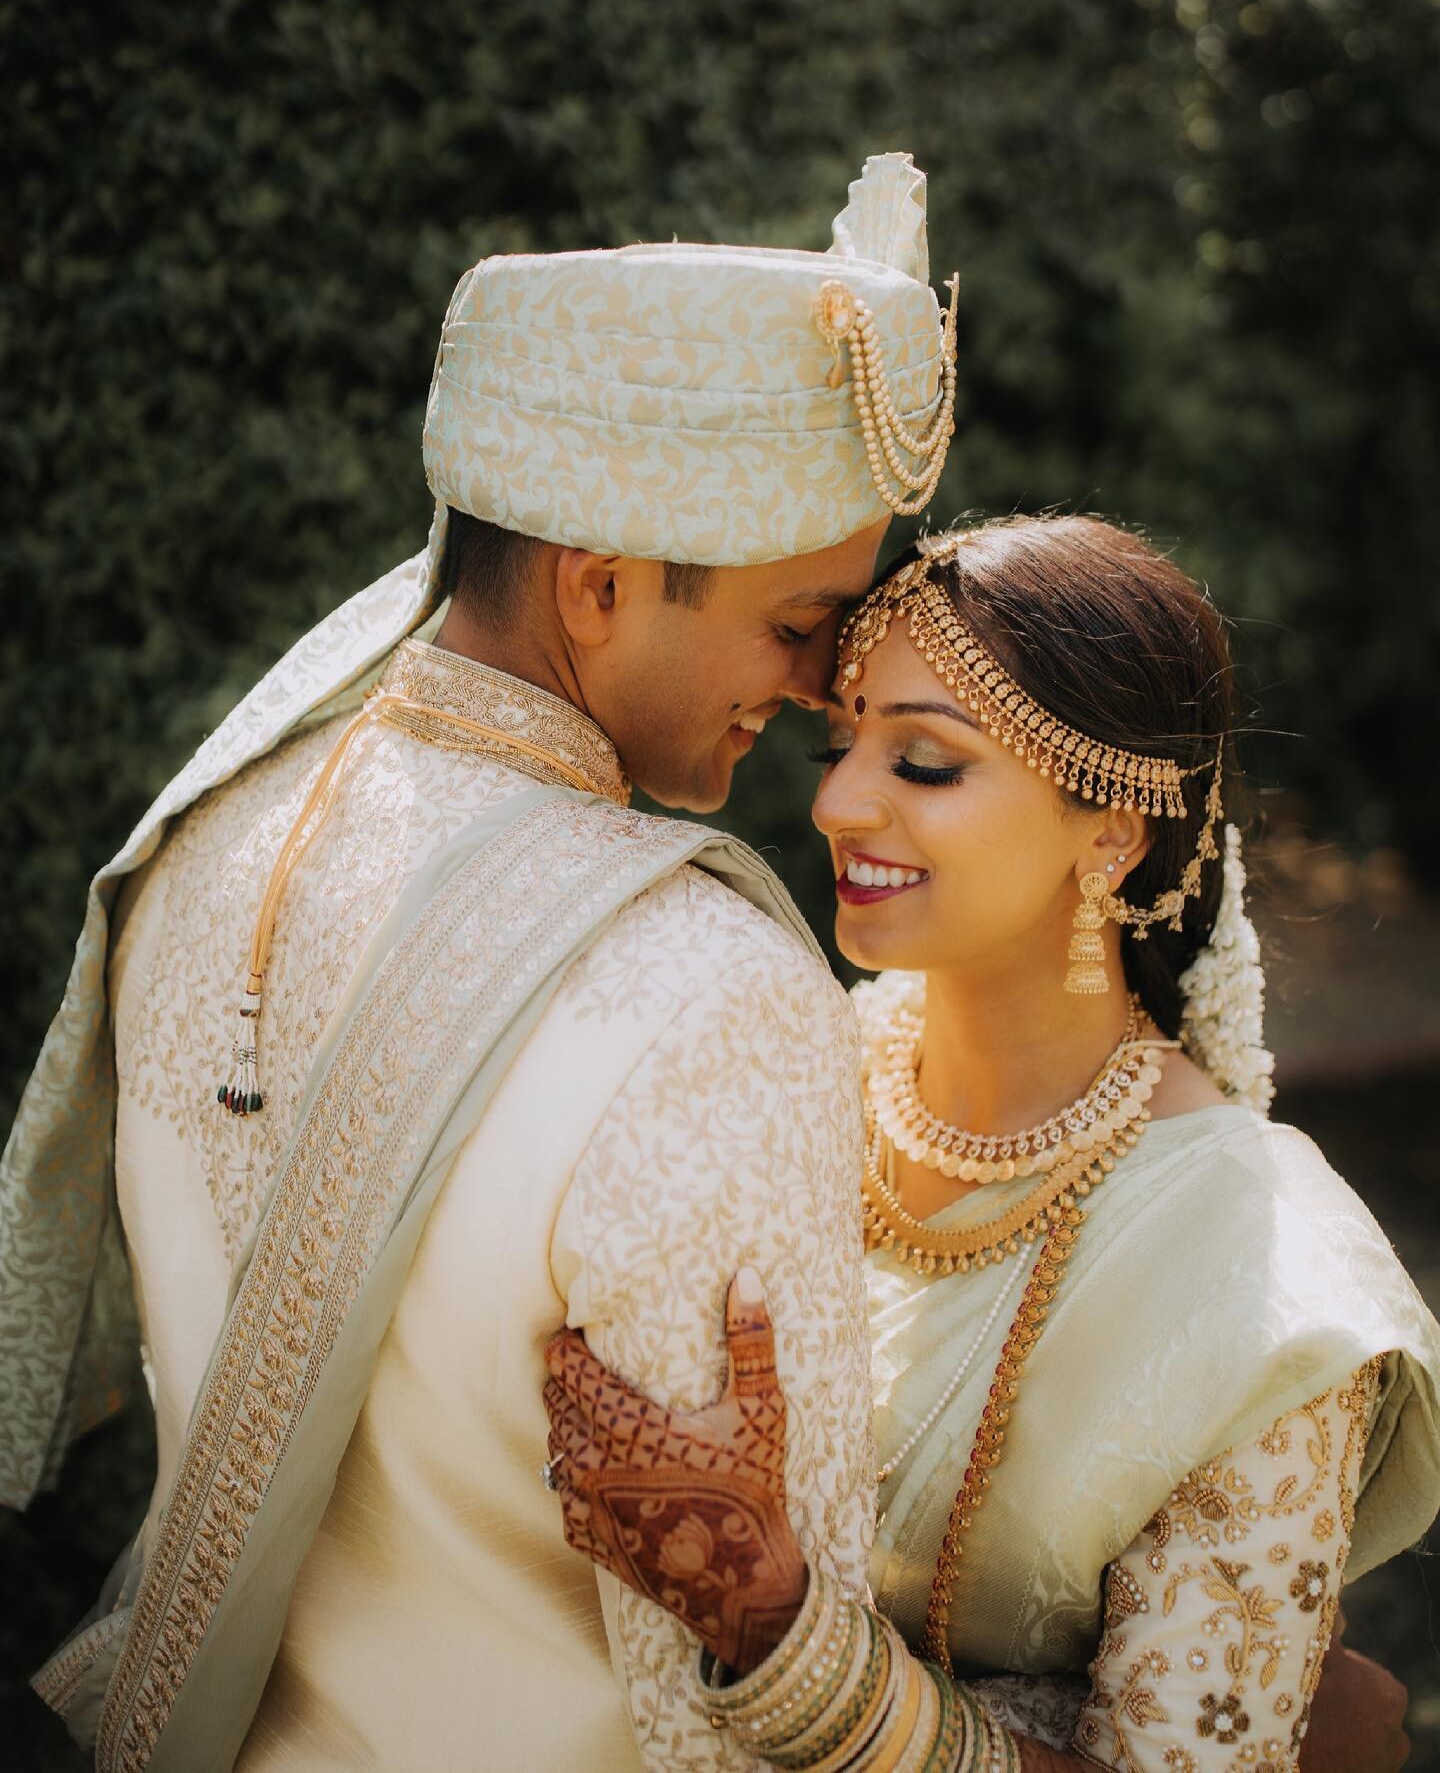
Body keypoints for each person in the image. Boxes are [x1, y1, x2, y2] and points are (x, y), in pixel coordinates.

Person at [0, 152, 959, 1770]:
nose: (818, 690)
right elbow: (726, 1719)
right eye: (800, 624)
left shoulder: (210, 826)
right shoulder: (708, 996)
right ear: (599, 586)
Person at [542, 517, 1440, 1771]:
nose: (838, 800)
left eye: (925, 763)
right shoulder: (782, 1069)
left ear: (1113, 832)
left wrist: (783, 1640)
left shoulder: (1261, 1278)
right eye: (842, 740)